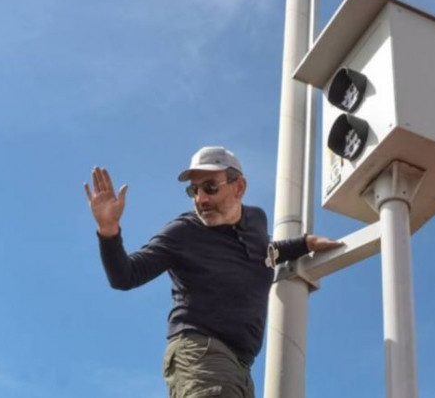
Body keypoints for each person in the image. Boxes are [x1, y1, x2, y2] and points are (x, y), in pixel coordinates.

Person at [84, 146, 342, 398]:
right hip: (201, 353)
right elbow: (125, 276)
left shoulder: (255, 221)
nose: (201, 199)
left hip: (241, 367)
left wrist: (305, 243)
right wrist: (109, 232)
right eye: (193, 190)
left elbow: (265, 250)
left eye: (210, 187)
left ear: (239, 187)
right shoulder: (182, 233)